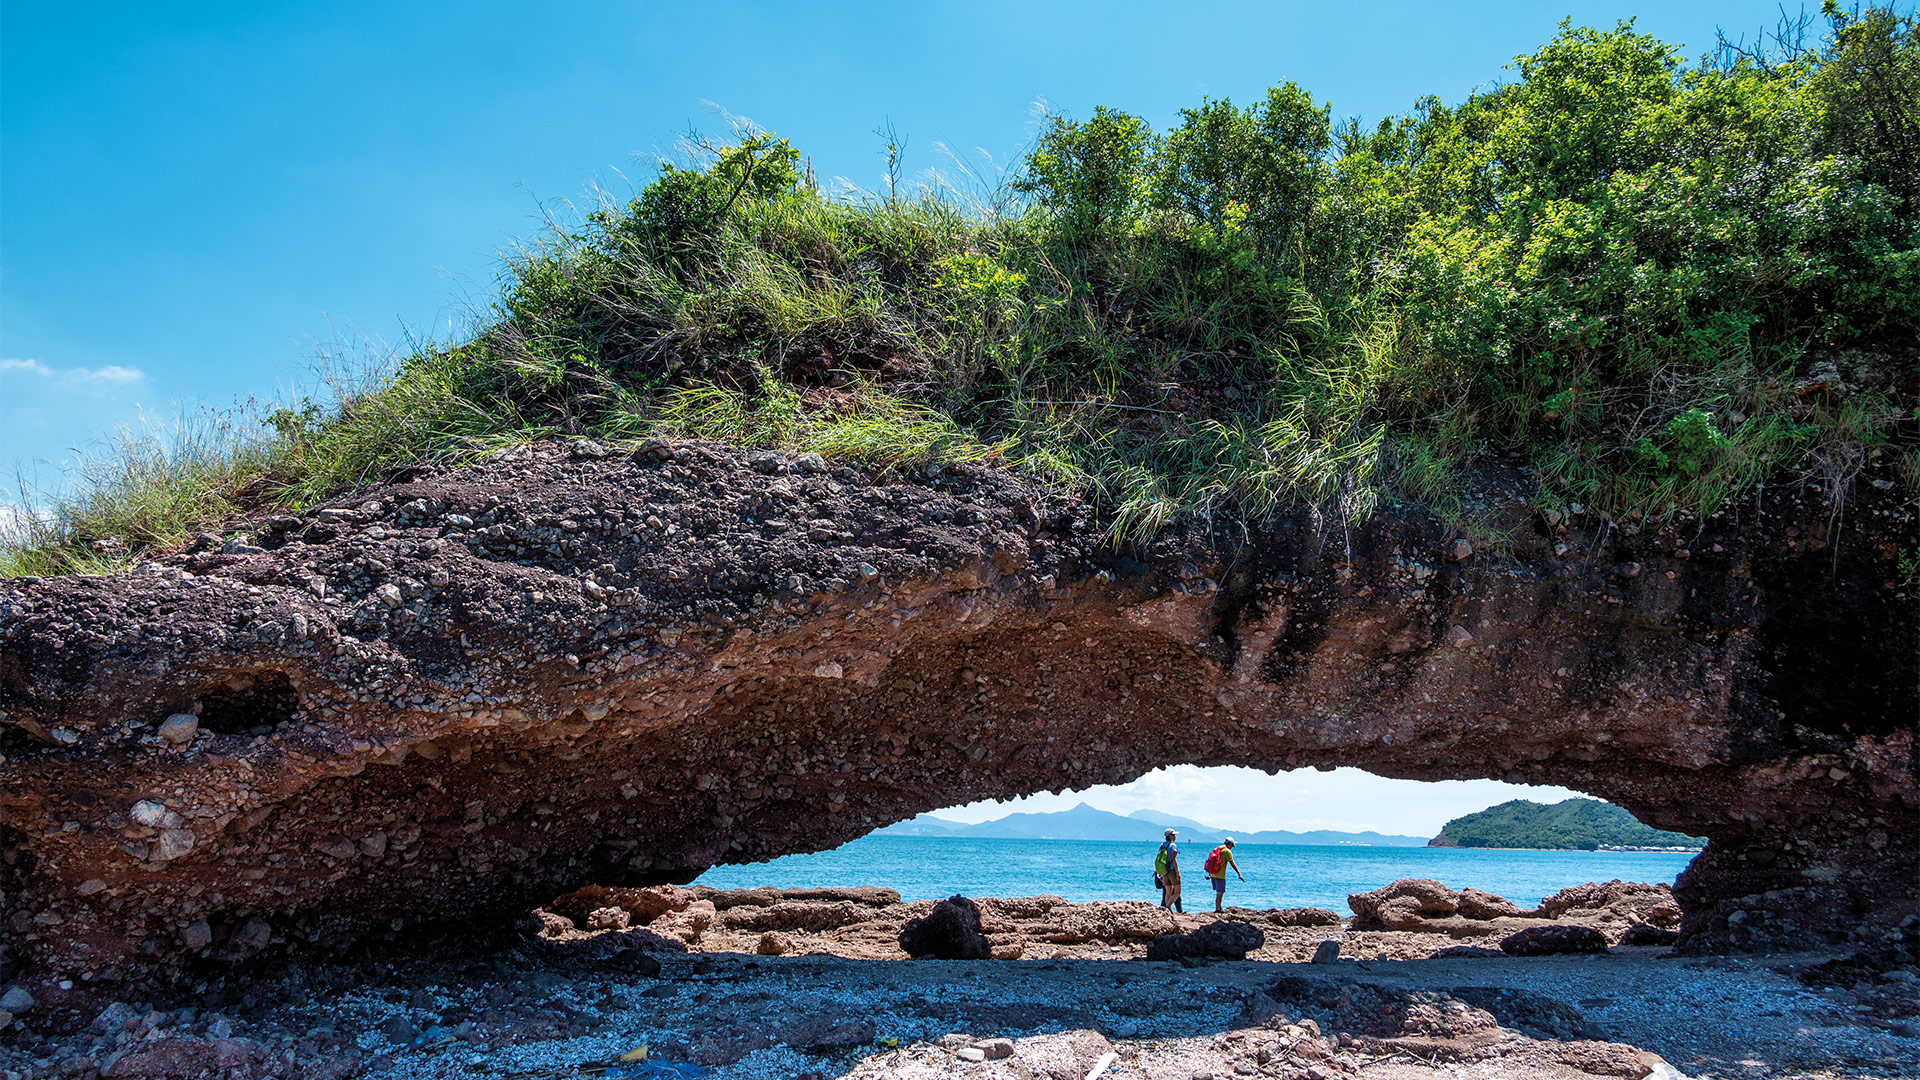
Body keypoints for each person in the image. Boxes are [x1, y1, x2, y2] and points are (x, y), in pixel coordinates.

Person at [1204, 837, 1245, 913]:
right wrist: (1239, 873)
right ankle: (1217, 909)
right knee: (1220, 893)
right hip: (1220, 875)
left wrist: (1209, 873)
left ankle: (1219, 907)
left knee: (1218, 892)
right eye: (1232, 845)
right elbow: (1232, 863)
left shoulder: (1218, 848)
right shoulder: (1227, 851)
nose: (1232, 847)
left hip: (1213, 873)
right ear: (1229, 844)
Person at [1155, 829, 1184, 913]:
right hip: (1171, 870)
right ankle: (1168, 907)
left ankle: (1167, 910)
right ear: (1169, 836)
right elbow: (1174, 859)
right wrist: (1177, 872)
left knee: (1168, 893)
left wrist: (1160, 873)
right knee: (1177, 892)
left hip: (1164, 871)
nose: (1175, 837)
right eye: (1173, 835)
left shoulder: (1162, 845)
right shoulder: (1173, 845)